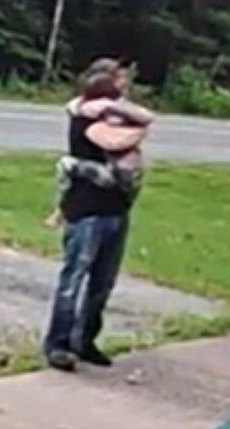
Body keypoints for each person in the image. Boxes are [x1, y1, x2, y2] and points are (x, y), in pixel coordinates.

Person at [43, 59, 151, 372]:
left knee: (102, 283)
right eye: (118, 80)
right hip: (87, 211)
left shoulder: (115, 115)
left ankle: (85, 340)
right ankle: (58, 345)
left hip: (117, 210)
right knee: (73, 279)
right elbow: (122, 137)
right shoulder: (86, 118)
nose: (123, 87)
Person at [44, 70, 154, 228]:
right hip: (119, 178)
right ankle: (61, 212)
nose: (124, 83)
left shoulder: (90, 108)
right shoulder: (110, 108)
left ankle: (60, 213)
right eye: (120, 79)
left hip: (111, 175)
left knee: (67, 167)